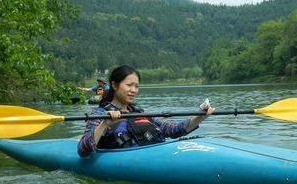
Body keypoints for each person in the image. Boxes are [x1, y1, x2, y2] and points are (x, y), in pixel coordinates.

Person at [77, 65, 215, 158]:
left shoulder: (140, 113)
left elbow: (174, 130)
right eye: (129, 85)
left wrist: (200, 116)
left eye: (136, 86)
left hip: (152, 157)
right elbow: (82, 150)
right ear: (114, 85)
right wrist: (104, 124)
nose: (134, 90)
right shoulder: (100, 114)